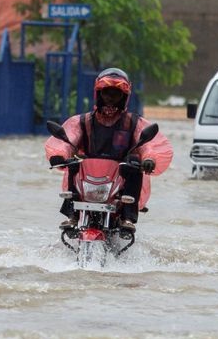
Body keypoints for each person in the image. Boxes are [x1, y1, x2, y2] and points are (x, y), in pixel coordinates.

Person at [44, 68, 173, 233]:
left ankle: (127, 216)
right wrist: (59, 154)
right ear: (99, 94)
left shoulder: (134, 123)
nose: (110, 98)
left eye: (115, 94)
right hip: (87, 177)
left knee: (134, 163)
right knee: (75, 162)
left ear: (124, 97)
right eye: (107, 93)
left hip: (120, 179)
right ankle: (72, 214)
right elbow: (67, 138)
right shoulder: (82, 121)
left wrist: (150, 159)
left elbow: (151, 145)